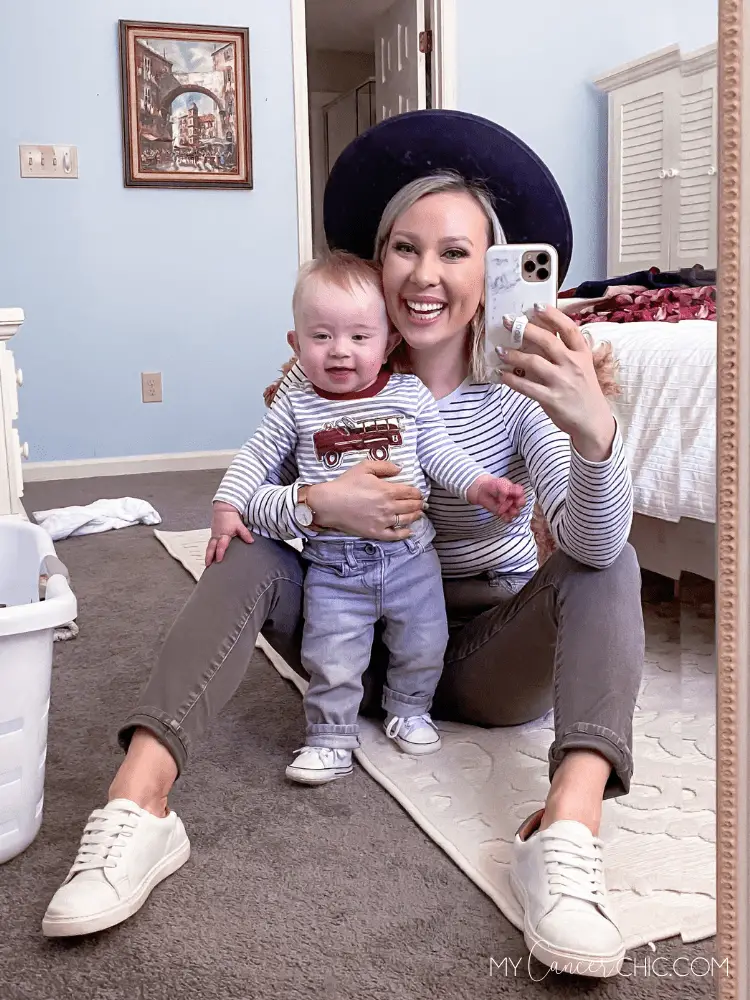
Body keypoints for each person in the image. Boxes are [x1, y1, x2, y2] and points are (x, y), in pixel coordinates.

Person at [43, 110, 644, 980]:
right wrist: (321, 506)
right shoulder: (328, 371)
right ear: (376, 259)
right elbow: (253, 498)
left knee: (612, 557)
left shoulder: (523, 394)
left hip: (480, 653)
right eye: (405, 248)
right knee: (246, 545)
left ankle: (564, 834)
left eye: (455, 253)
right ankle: (139, 806)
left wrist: (594, 436)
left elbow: (590, 541)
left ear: (492, 272)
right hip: (343, 636)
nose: (425, 276)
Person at [211, 249, 526, 784]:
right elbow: (256, 457)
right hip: (334, 565)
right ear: (295, 343)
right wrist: (226, 505)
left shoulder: (409, 394)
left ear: (388, 343)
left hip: (411, 558)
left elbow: (441, 455)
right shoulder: (296, 403)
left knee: (424, 642)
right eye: (322, 337)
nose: (340, 352)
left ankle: (409, 709)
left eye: (359, 337)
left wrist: (480, 486)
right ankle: (330, 735)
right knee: (330, 651)